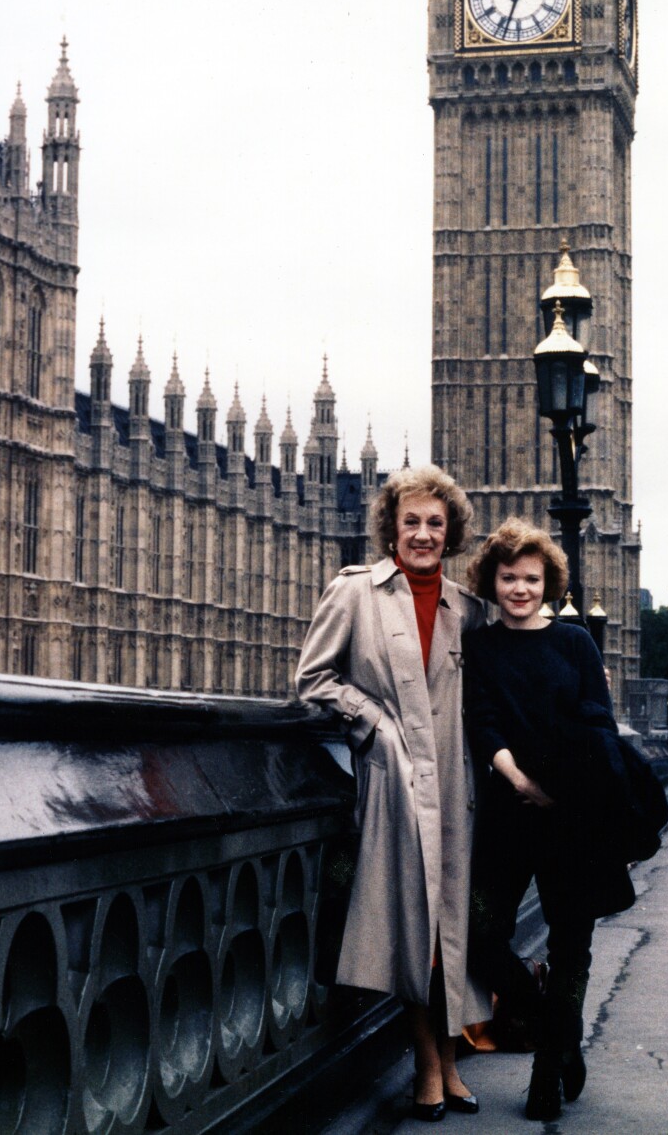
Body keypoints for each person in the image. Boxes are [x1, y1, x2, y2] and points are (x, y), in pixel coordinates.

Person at [295, 465, 488, 1121]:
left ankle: (451, 1060)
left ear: (450, 532)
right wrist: (373, 724)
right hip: (395, 785)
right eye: (412, 521)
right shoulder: (356, 591)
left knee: (452, 929)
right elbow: (314, 678)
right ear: (391, 529)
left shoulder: (469, 608)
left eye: (436, 522)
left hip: (457, 785)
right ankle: (428, 1063)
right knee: (414, 929)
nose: (423, 533)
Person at [462, 518, 655, 1123]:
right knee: (479, 933)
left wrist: (564, 789)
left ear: (548, 583)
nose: (519, 588)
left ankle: (547, 1072)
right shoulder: (481, 647)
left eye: (531, 578)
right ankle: (556, 1027)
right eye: (508, 578)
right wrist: (520, 780)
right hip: (508, 813)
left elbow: (598, 723)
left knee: (572, 948)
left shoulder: (575, 643)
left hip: (573, 817)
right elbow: (481, 722)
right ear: (492, 582)